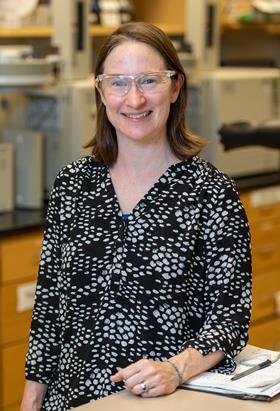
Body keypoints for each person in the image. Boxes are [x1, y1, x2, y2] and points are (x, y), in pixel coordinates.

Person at [20, 22, 252, 411]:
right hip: (71, 401)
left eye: (149, 81)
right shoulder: (73, 184)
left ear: (176, 87)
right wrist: (30, 399)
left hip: (165, 400)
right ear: (100, 90)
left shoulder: (211, 192)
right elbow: (48, 306)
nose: (134, 99)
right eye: (118, 82)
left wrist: (176, 369)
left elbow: (230, 318)